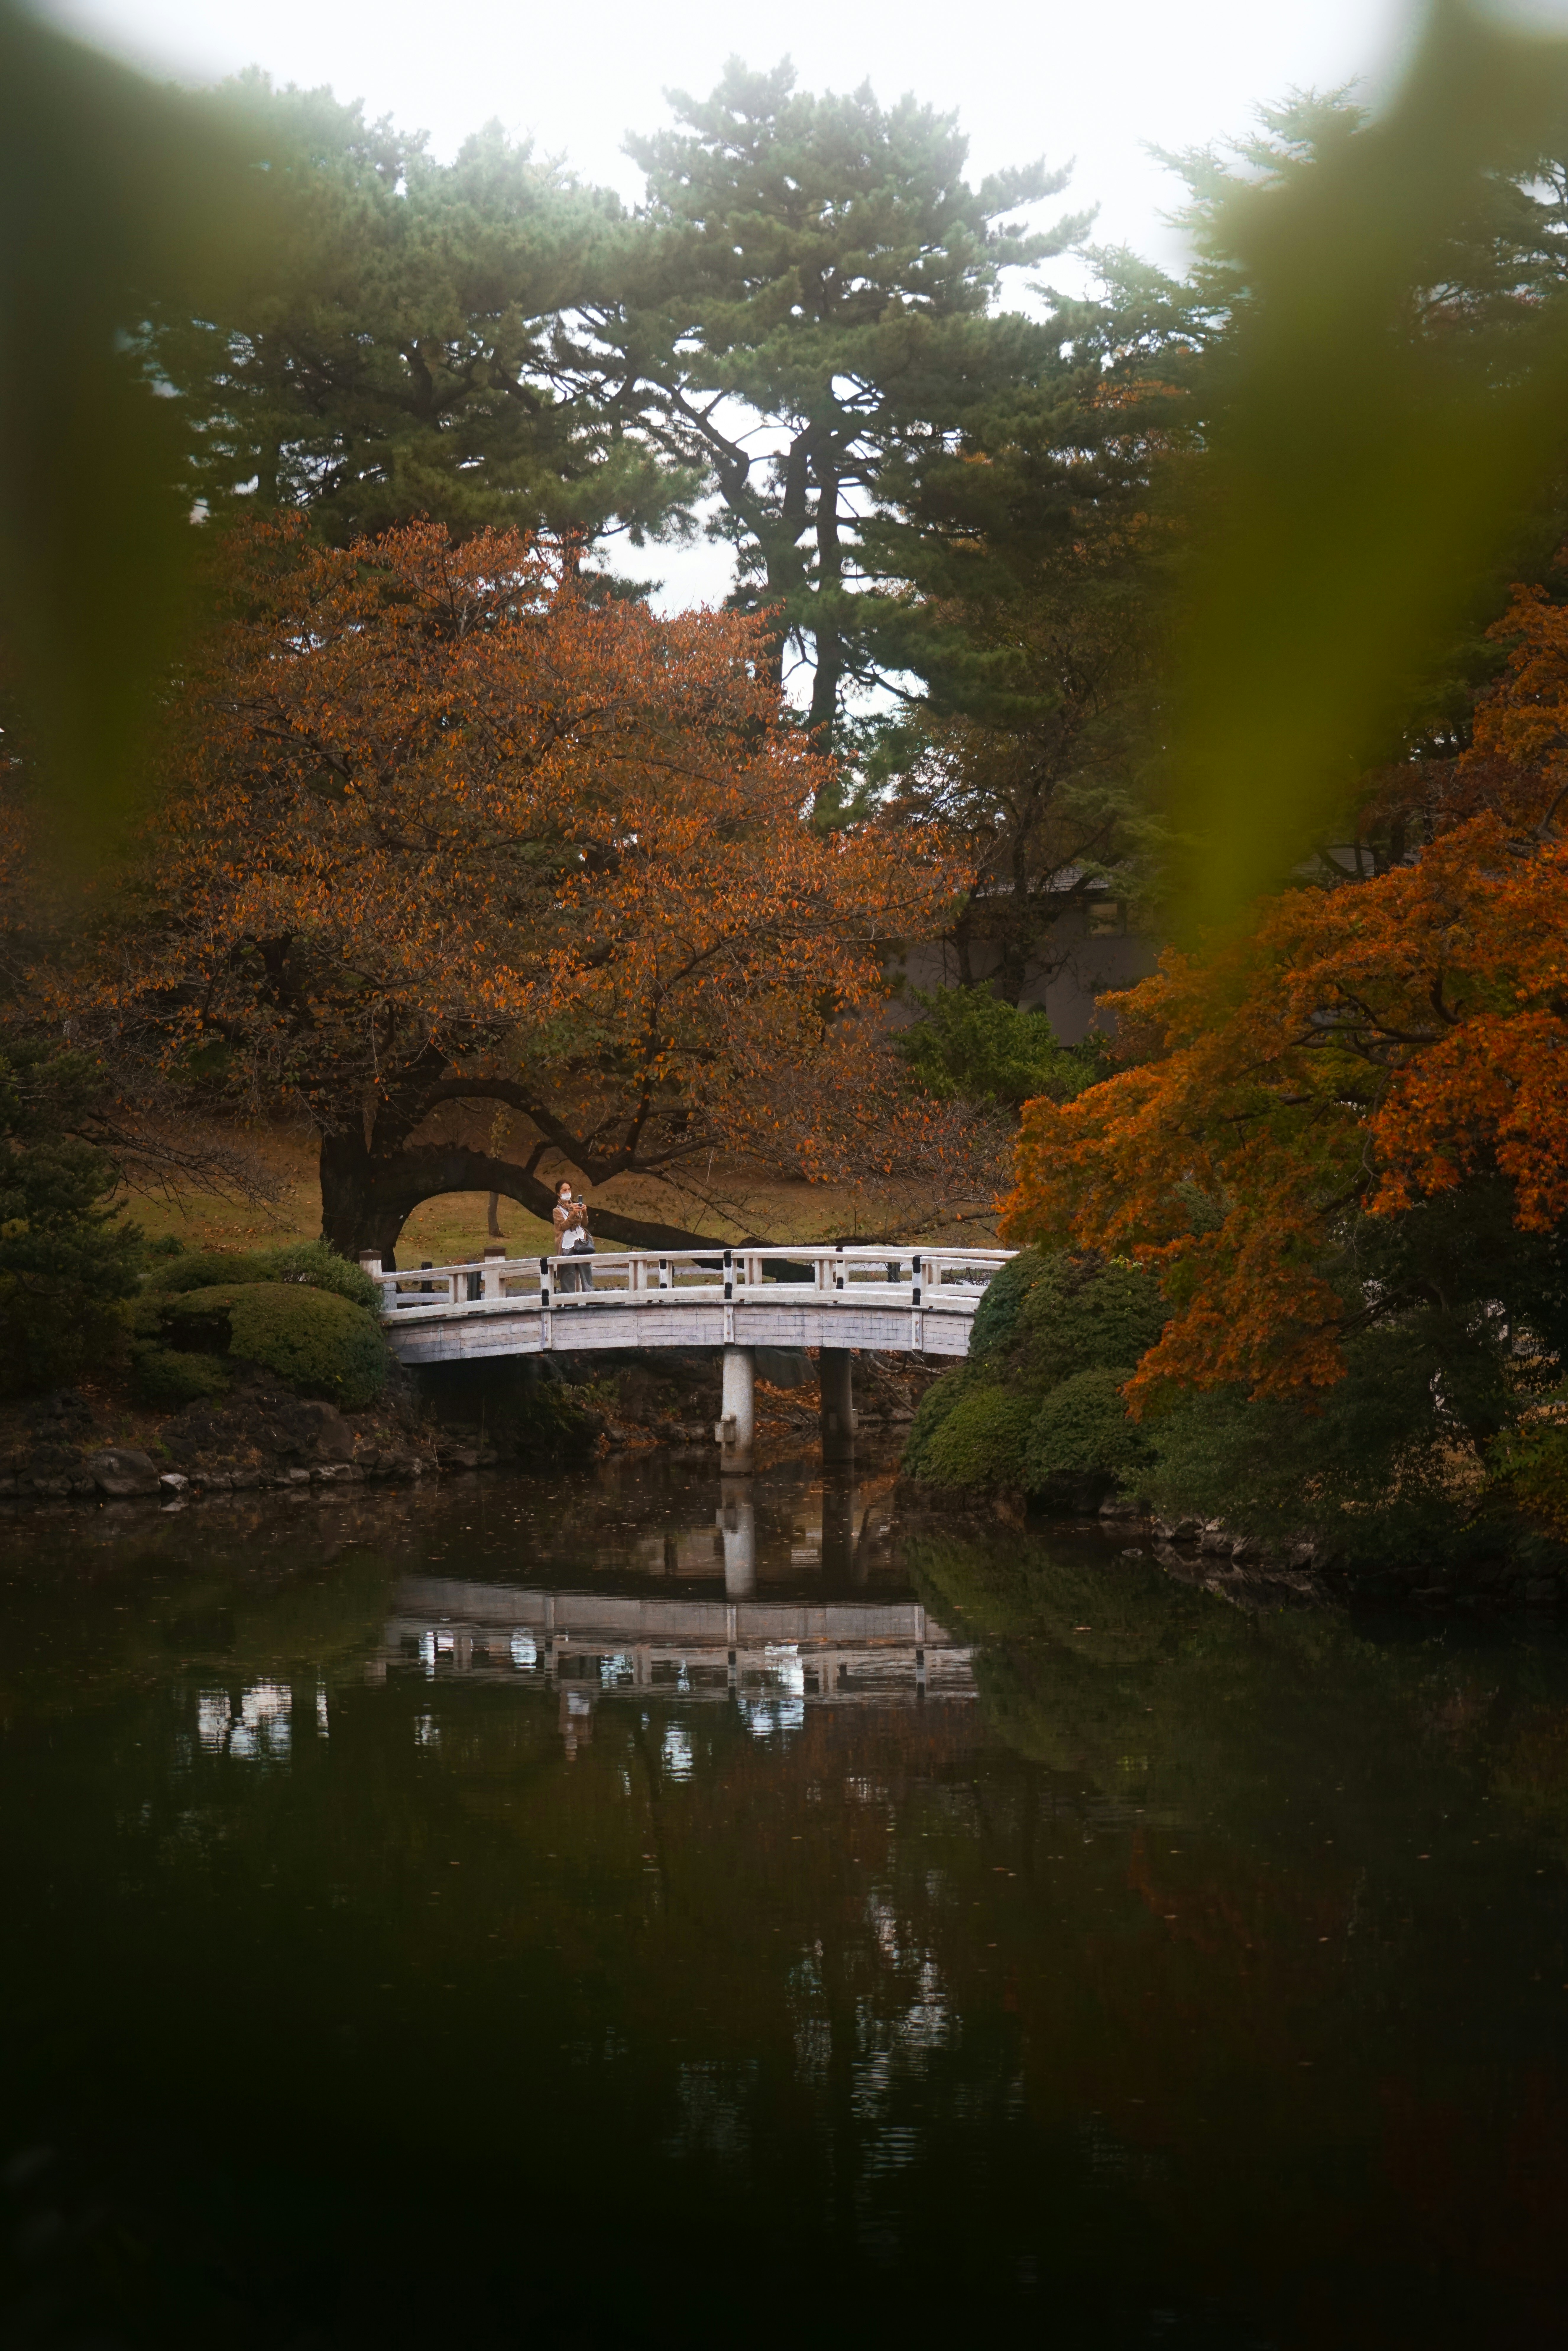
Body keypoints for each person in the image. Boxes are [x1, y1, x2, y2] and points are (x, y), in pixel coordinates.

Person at [552, 1178, 593, 1292]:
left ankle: (590, 1296)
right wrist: (573, 1215)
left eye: (569, 1190)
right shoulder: (557, 1211)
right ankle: (569, 1299)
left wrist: (584, 1213)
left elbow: (585, 1224)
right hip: (568, 1243)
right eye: (564, 1190)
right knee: (568, 1273)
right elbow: (563, 1226)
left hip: (581, 1241)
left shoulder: (576, 1206)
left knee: (586, 1270)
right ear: (559, 1194)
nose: (567, 1193)